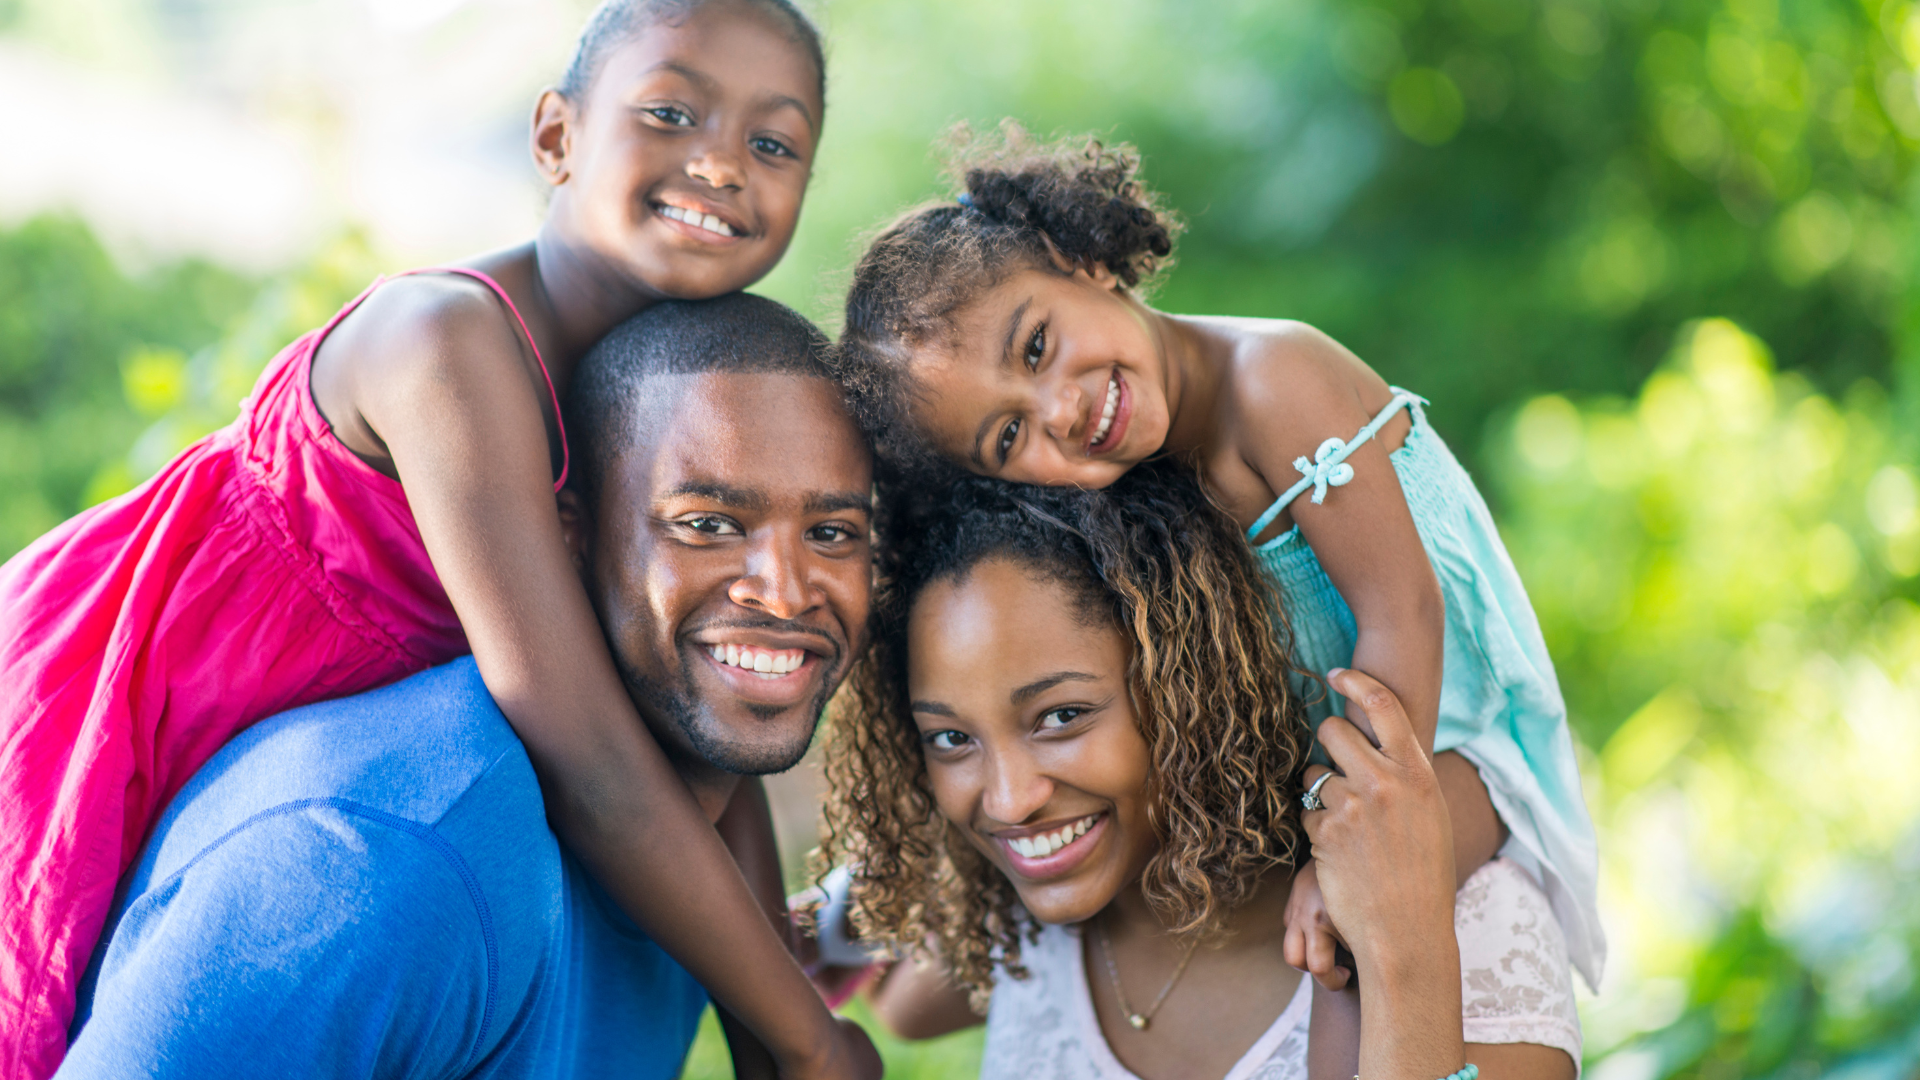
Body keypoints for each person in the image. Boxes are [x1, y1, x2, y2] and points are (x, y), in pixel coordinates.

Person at [0, 5, 874, 1077]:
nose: (721, 163)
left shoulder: (665, 390)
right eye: (670, 111)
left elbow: (700, 745)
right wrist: (805, 1038)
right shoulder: (449, 343)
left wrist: (772, 1022)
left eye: (773, 143)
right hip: (154, 675)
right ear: (554, 137)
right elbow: (590, 755)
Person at [831, 122, 1603, 1014]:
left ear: (1074, 256)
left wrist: (1339, 855)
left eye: (1037, 346)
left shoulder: (1275, 379)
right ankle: (863, 917)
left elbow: (1404, 614)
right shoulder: (1127, 472)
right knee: (958, 975)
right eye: (1010, 436)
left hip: (1451, 747)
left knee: (1337, 953)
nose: (1063, 409)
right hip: (1315, 771)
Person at [58, 295, 878, 1079]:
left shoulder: (698, 848)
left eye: (833, 533)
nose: (784, 590)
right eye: (706, 525)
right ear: (571, 545)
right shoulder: (379, 867)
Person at [813, 464, 1581, 1080]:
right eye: (950, 738)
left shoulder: (1470, 925)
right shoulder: (1031, 926)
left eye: (1062, 716)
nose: (1011, 801)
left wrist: (1399, 962)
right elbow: (900, 1001)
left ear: (1190, 689)